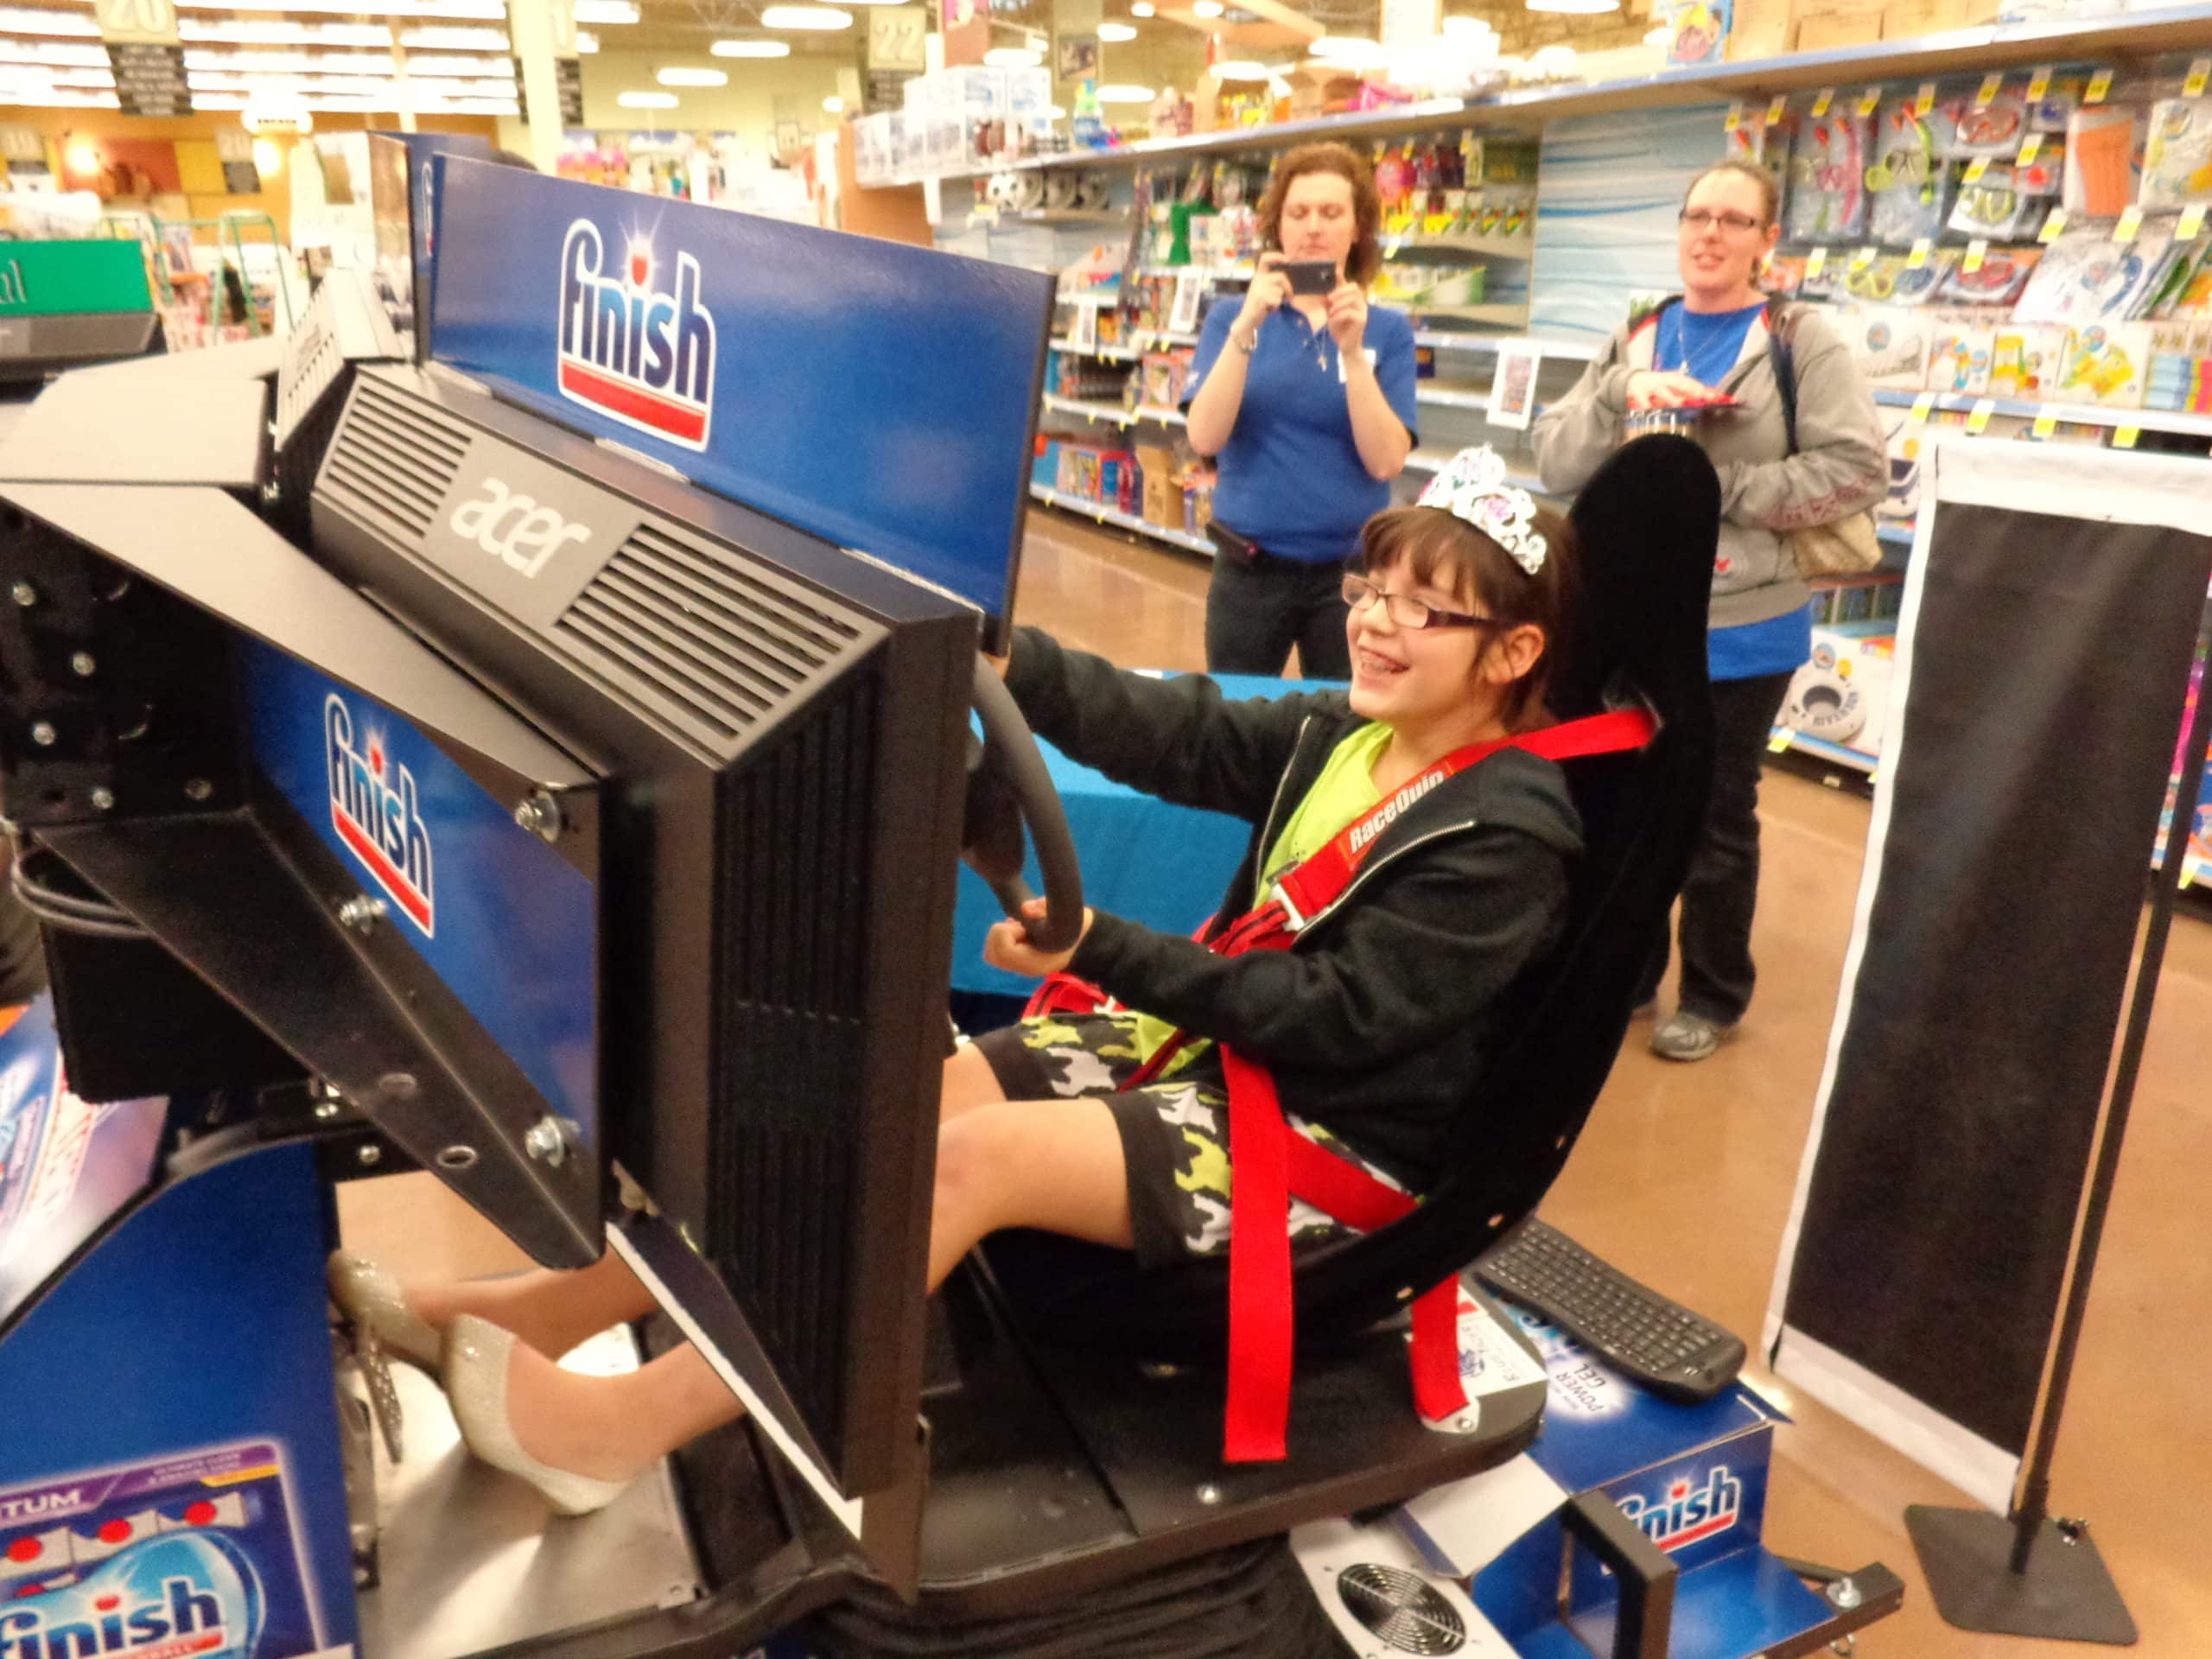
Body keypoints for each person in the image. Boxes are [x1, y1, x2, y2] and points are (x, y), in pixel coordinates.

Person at [330, 448, 1583, 1513]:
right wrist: (1007, 657)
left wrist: (1100, 948)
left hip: (1337, 1140)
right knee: (904, 1102)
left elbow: (1339, 1021)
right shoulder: (1348, 736)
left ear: (1513, 653)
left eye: (1427, 609)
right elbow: (1175, 727)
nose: (1374, 619)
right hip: (1232, 1064)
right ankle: (553, 1308)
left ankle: (617, 1434)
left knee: (974, 1166)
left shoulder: (1503, 841)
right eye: (1376, 588)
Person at [1531, 158, 1884, 1065]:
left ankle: (1715, 992)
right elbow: (1555, 461)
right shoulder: (1640, 334)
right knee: (1620, 800)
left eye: (1734, 219)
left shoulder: (1803, 340)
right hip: (1626, 618)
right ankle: (1632, 972)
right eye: (1696, 216)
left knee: (1715, 815)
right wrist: (1619, 396)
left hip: (1742, 623)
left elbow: (1855, 467)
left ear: (1769, 239)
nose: (1710, 234)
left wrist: (1707, 486)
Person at [1182, 143, 1420, 680]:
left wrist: (1353, 352)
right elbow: (1204, 437)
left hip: (1351, 578)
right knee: (1234, 722)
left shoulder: (1387, 331)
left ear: (1357, 228)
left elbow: (1385, 463)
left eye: (1331, 213)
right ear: (1278, 227)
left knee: (1341, 726)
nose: (1314, 227)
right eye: (1299, 212)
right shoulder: (1230, 319)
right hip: (1248, 569)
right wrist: (1248, 325)